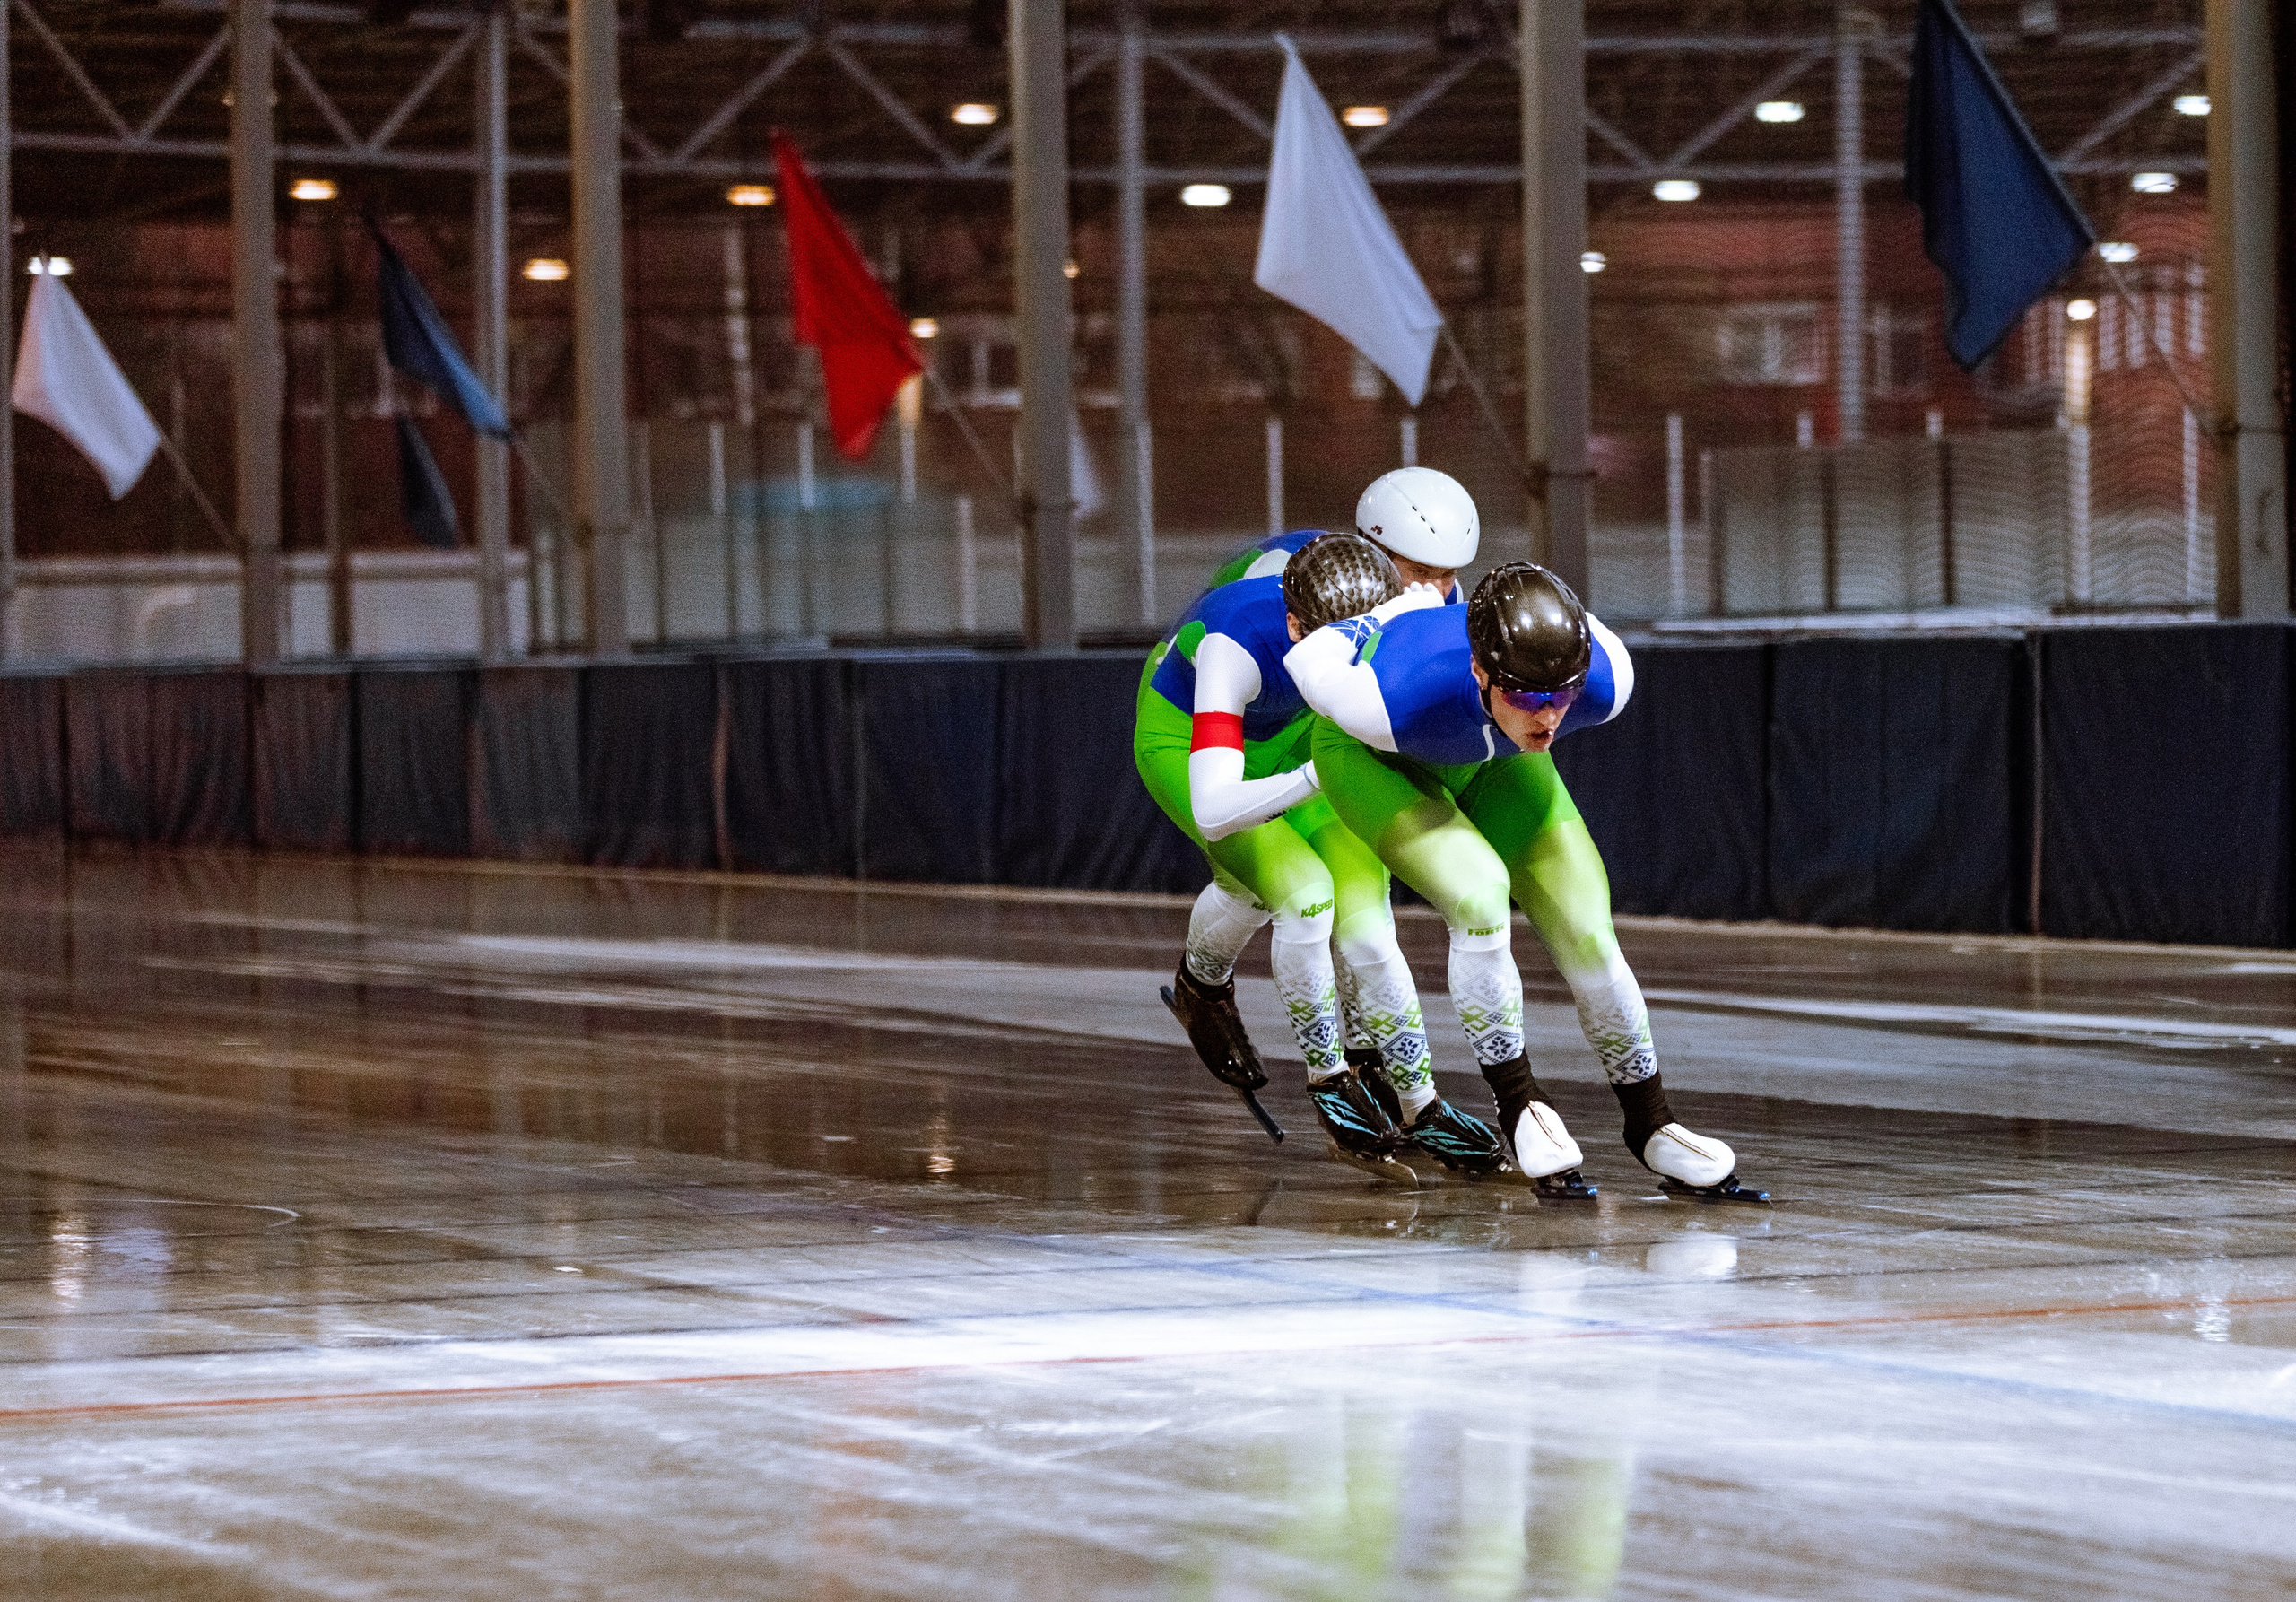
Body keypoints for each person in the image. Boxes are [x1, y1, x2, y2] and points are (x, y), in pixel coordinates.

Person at [1286, 558, 1768, 1203]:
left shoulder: (1606, 678)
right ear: (1480, 672)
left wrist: (1533, 698)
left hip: (1493, 757)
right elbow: (1310, 654)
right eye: (1527, 696)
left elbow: (1545, 684)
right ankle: (1519, 1108)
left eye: (1561, 695)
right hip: (1379, 759)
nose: (1548, 718)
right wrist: (1394, 610)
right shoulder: (1385, 699)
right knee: (1481, 897)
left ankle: (1653, 1122)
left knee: (1589, 932)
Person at [1135, 530, 1518, 1183]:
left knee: (1364, 909)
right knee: (1301, 894)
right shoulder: (1236, 650)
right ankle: (1323, 1075)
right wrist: (1315, 778)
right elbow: (1215, 808)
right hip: (1187, 731)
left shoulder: (1387, 595)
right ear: (1293, 623)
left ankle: (1422, 1102)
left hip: (1295, 732)